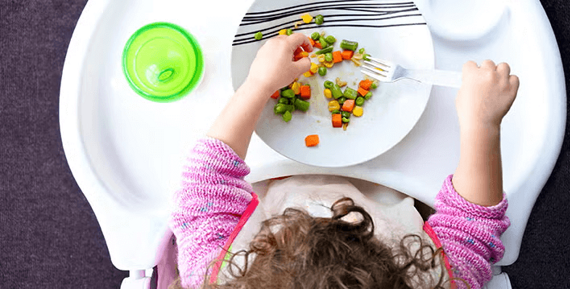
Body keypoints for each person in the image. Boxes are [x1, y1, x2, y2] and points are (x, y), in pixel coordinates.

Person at [169, 33, 519, 289]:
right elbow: (472, 224)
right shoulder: (436, 281)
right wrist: (482, 124)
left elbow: (204, 183)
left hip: (272, 181)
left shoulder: (213, 273)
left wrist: (258, 84)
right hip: (392, 183)